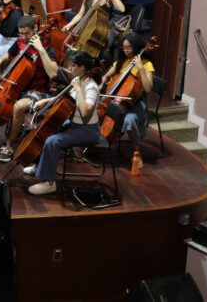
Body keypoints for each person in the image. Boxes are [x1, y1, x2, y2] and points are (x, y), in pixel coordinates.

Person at [0, 16, 60, 160]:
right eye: (21, 33)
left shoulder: (48, 48)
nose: (23, 37)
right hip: (18, 87)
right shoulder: (20, 42)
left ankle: (9, 145)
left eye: (27, 33)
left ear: (35, 29)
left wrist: (41, 50)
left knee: (19, 106)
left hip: (39, 92)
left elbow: (53, 73)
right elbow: (8, 54)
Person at [23, 51, 104, 195]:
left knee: (53, 141)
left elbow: (85, 112)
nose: (69, 68)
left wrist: (78, 89)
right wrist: (45, 101)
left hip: (87, 130)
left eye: (73, 65)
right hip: (74, 125)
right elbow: (66, 99)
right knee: (47, 131)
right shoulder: (78, 79)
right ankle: (40, 166)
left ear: (82, 68)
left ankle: (49, 183)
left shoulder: (91, 87)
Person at [101, 32, 155, 168]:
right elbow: (107, 75)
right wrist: (103, 81)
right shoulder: (122, 61)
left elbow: (148, 88)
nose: (125, 50)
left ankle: (136, 153)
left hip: (137, 101)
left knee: (129, 120)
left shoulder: (146, 64)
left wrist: (140, 68)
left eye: (128, 47)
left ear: (136, 47)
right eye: (123, 48)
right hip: (120, 98)